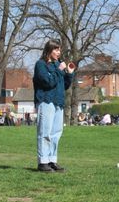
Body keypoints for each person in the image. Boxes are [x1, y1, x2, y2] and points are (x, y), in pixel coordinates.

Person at [33, 39, 74, 172]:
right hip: (46, 101)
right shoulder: (41, 65)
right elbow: (48, 82)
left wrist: (69, 74)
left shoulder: (58, 65)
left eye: (59, 49)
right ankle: (42, 161)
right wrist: (59, 70)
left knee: (56, 133)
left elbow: (64, 85)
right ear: (49, 50)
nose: (58, 52)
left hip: (58, 102)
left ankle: (52, 160)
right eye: (56, 49)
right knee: (45, 132)